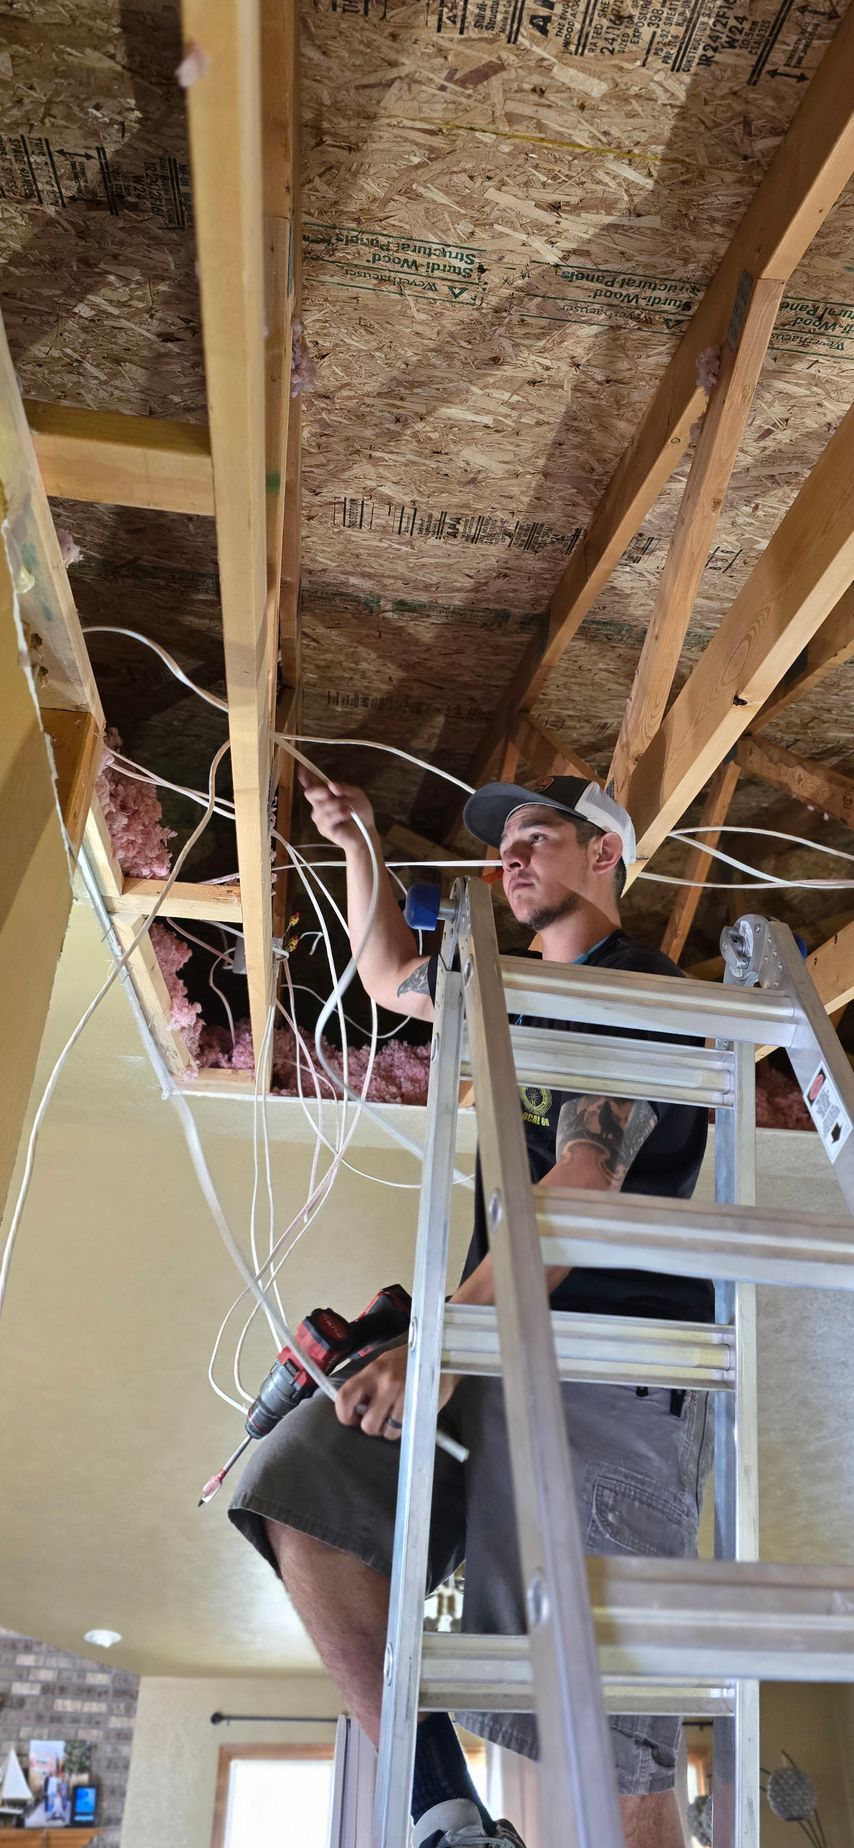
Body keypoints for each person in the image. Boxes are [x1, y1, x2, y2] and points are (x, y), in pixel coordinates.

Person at [230, 771, 714, 1848]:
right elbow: (389, 972)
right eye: (505, 844)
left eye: (541, 836)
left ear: (606, 857)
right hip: (495, 1344)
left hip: (605, 1367)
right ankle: (445, 1818)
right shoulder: (508, 995)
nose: (512, 857)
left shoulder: (635, 991)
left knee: (611, 1752)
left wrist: (452, 1339)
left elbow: (582, 1181)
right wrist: (358, 841)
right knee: (297, 1488)